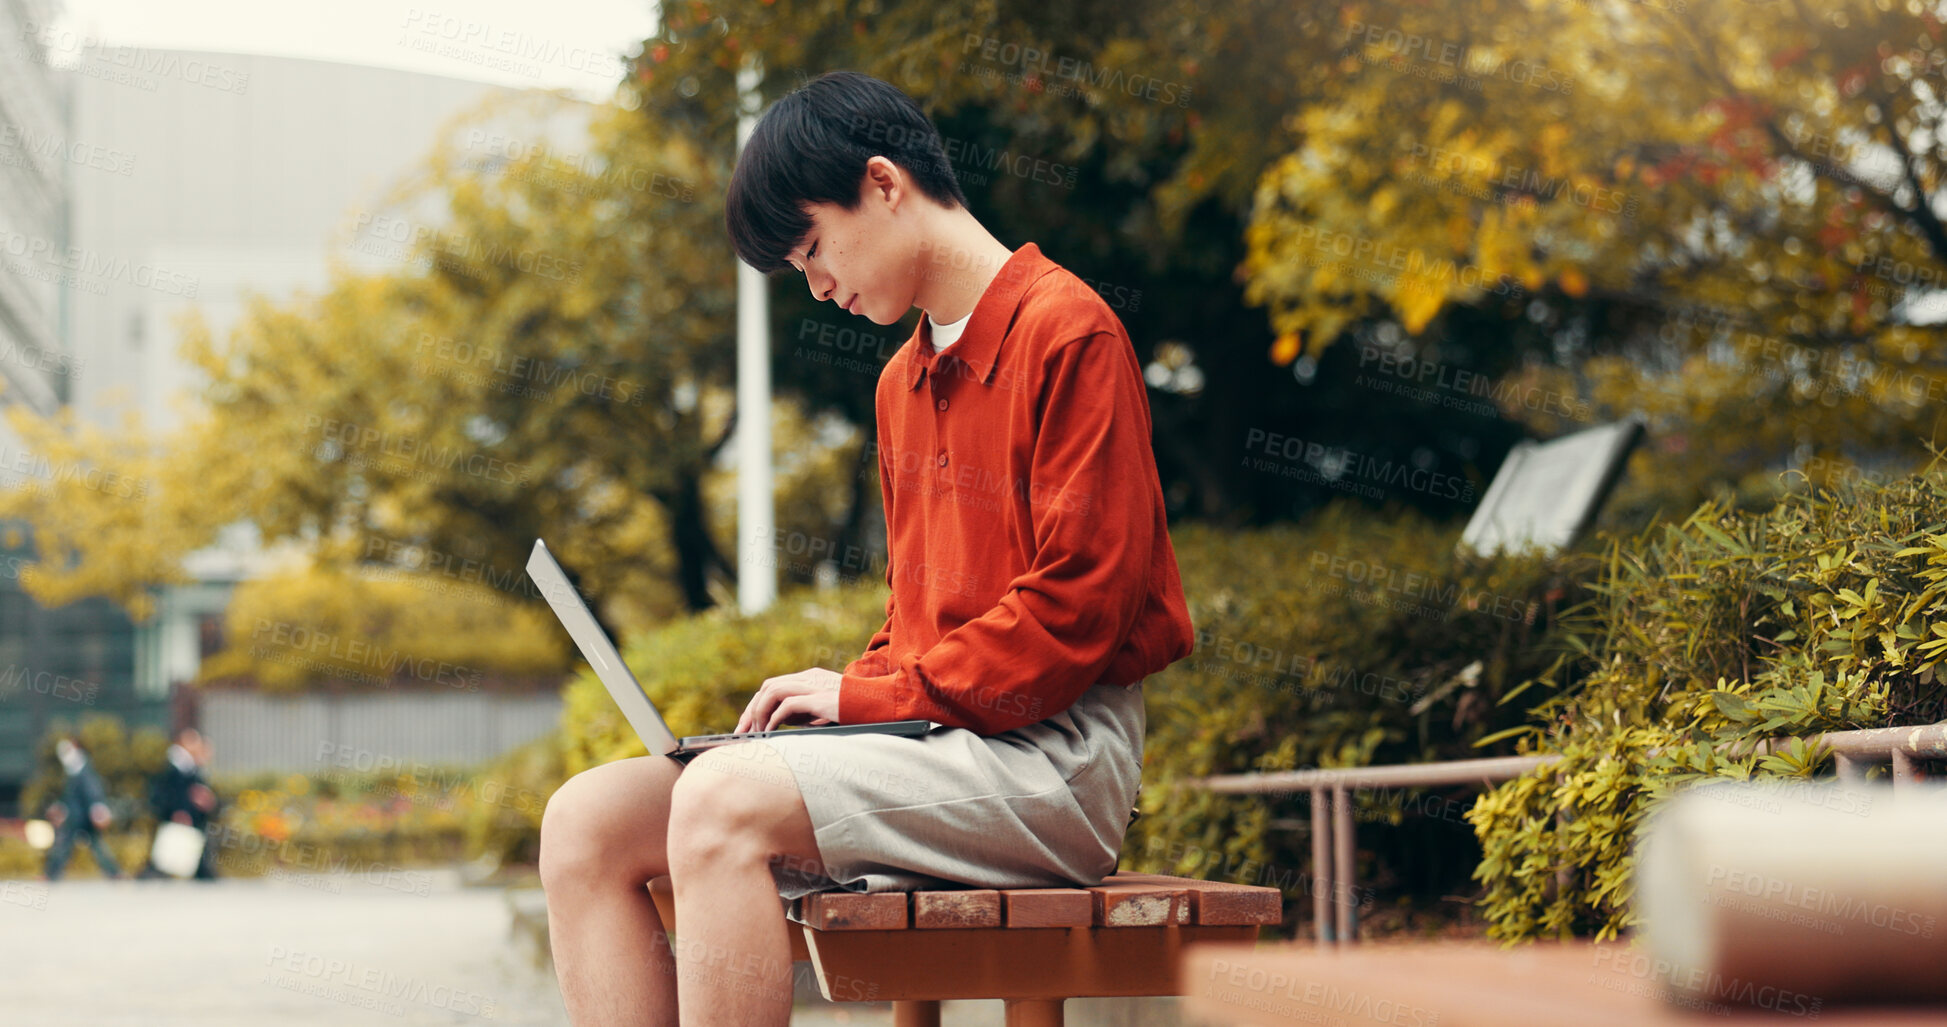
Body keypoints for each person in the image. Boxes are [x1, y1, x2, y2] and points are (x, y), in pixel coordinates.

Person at [537, 70, 1193, 1025]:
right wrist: (843, 710)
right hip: (940, 745)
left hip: (1055, 761)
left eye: (812, 249)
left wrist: (868, 700)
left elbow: (1079, 606)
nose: (817, 285)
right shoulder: (901, 383)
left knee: (722, 804)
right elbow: (915, 621)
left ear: (883, 184)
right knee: (586, 821)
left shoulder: (1068, 331)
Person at [139, 728, 221, 880]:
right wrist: (180, 810)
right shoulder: (176, 764)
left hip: (186, 813)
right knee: (168, 847)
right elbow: (175, 792)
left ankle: (204, 872)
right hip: (176, 813)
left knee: (185, 844)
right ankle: (152, 873)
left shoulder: (187, 763)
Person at [43, 737, 123, 881]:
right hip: (77, 816)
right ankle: (114, 873)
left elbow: (92, 793)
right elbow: (70, 796)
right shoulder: (74, 770)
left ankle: (51, 874)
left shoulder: (82, 770)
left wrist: (97, 809)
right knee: (82, 846)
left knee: (68, 846)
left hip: (81, 817)